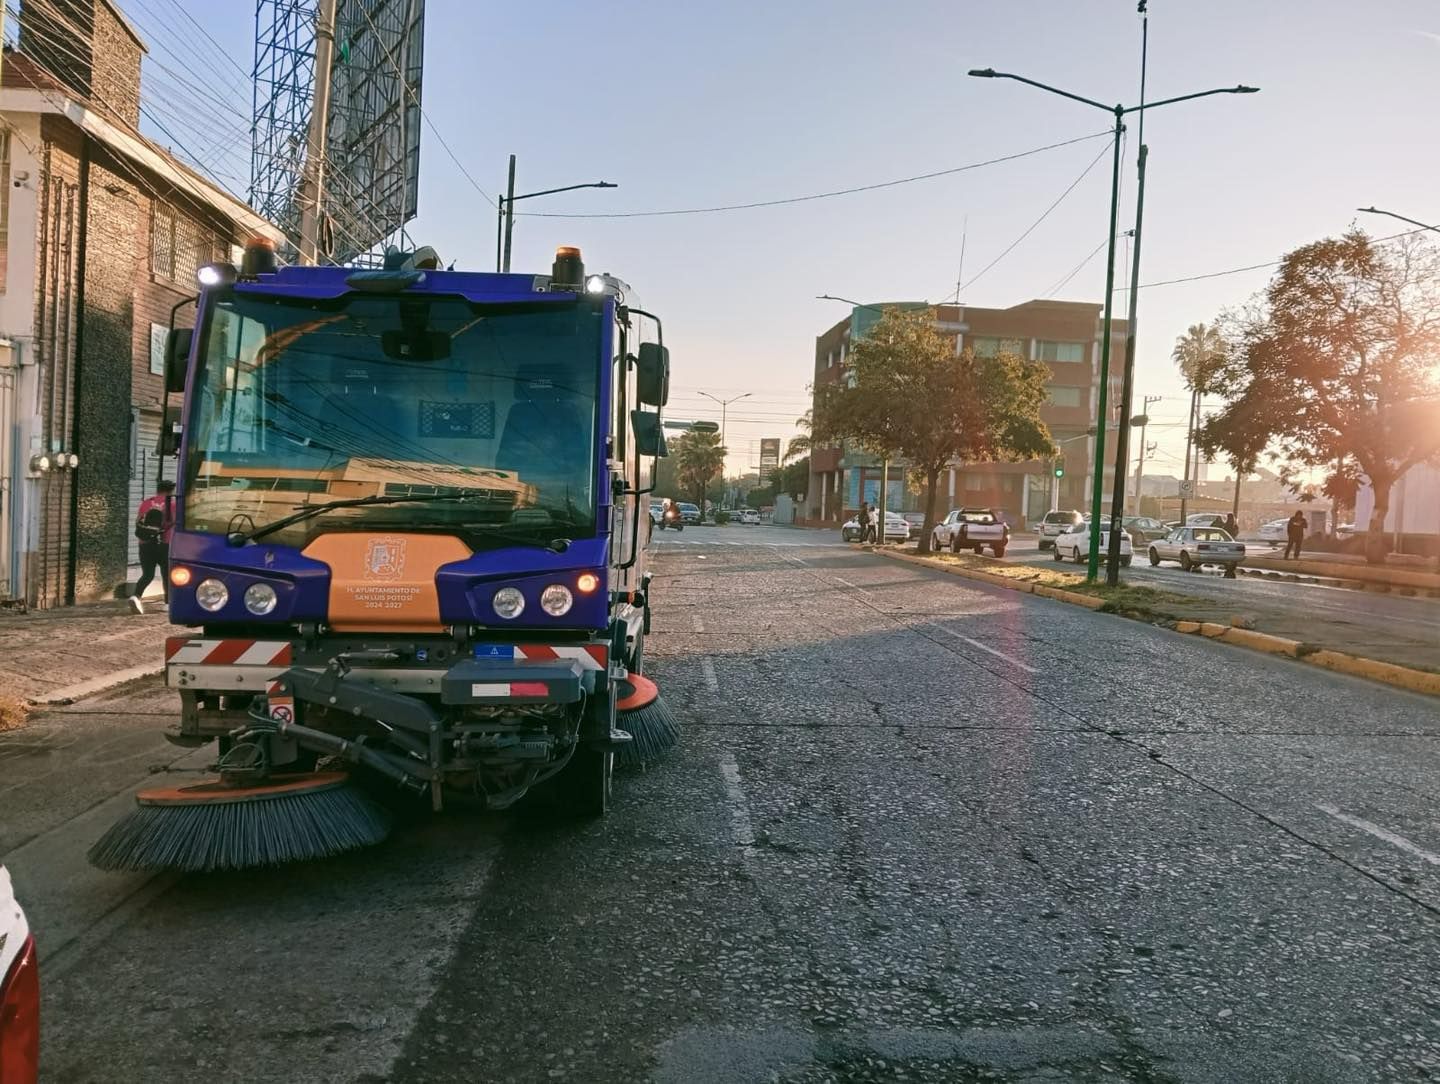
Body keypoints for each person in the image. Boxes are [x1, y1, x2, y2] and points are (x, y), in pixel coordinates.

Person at [131, 480, 176, 613]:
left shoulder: (146, 503)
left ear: (158, 489)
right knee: (166, 574)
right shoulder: (172, 504)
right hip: (164, 543)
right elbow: (174, 522)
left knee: (147, 574)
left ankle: (136, 596)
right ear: (170, 491)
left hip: (145, 544)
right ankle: (167, 603)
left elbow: (138, 521)